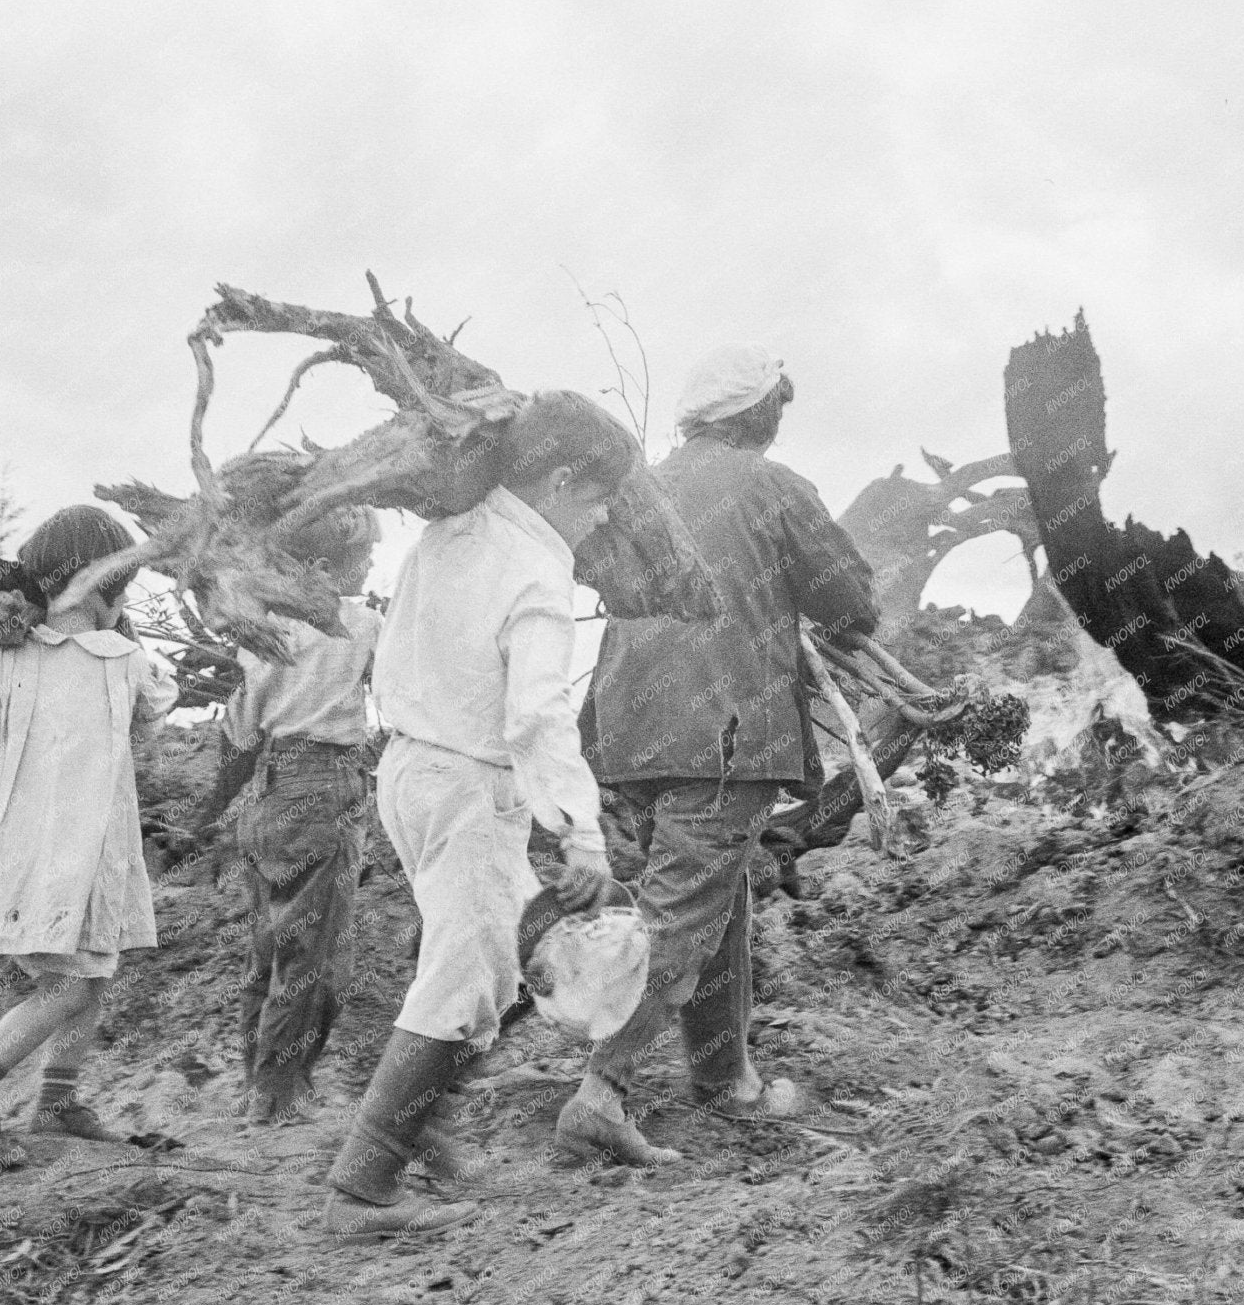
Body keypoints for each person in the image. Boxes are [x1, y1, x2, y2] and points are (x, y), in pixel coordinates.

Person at [321, 391, 635, 1241]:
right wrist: (581, 831)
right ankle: (363, 1185)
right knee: (466, 977)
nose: (604, 515)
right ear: (562, 479)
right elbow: (537, 714)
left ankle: (418, 1119)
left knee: (505, 949)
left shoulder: (445, 534)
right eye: (600, 496)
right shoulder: (537, 569)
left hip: (408, 770)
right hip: (467, 784)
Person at [561, 344, 879, 1166]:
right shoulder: (773, 488)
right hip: (725, 731)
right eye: (779, 404)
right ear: (760, 414)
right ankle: (601, 1091)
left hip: (627, 730)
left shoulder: (638, 488)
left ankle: (723, 1076)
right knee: (682, 911)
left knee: (714, 896)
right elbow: (849, 599)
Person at [0, 506, 178, 1167]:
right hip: (91, 842)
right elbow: (148, 725)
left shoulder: (2, 659)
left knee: (90, 972)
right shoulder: (123, 661)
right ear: (105, 586)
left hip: (27, 841)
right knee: (70, 984)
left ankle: (58, 1102)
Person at [196, 508, 383, 1124]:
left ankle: (258, 1082)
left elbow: (242, 732)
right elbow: (400, 691)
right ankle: (280, 1093)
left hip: (270, 789)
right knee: (318, 958)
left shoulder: (261, 635)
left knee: (269, 949)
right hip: (327, 786)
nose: (372, 568)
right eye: (364, 559)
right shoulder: (361, 624)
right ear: (325, 569)